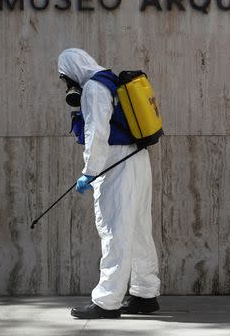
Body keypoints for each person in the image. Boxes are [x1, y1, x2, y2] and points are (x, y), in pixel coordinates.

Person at [57, 48, 161, 319]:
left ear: (73, 69)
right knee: (138, 229)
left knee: (114, 230)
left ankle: (107, 301)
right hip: (138, 159)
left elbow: (96, 133)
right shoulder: (111, 80)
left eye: (65, 77)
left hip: (116, 165)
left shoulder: (93, 88)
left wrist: (88, 172)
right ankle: (144, 293)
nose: (68, 85)